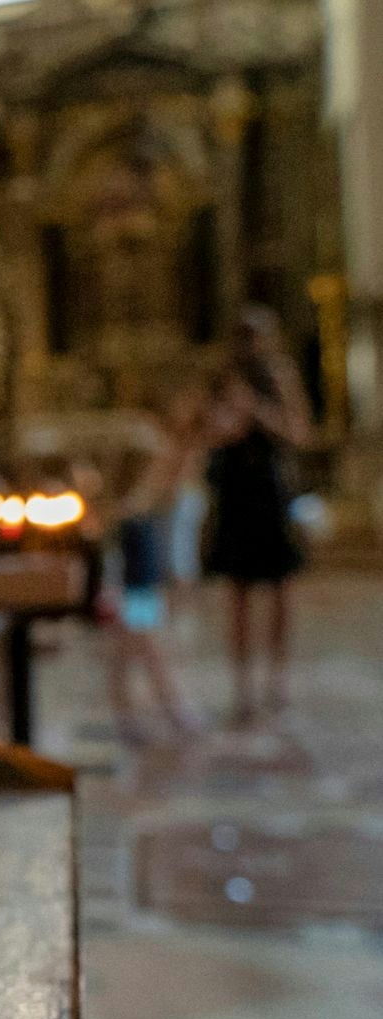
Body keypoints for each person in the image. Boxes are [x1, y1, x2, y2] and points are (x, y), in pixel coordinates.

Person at [202, 306, 312, 724]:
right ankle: (243, 684)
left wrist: (260, 413)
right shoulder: (224, 380)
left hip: (271, 489)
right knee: (239, 594)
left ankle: (277, 680)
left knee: (282, 591)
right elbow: (208, 433)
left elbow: (300, 432)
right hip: (235, 489)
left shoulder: (281, 377)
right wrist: (230, 417)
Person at [105, 418, 201, 744]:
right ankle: (172, 709)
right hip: (135, 591)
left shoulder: (143, 503)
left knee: (128, 652)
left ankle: (129, 713)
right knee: (148, 649)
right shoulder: (130, 508)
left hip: (142, 587)